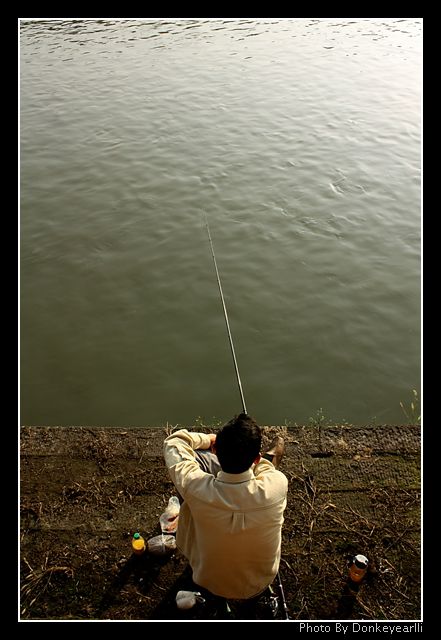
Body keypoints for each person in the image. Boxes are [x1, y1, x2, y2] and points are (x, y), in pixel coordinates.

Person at [163, 413, 288, 601]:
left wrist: (209, 439)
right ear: (255, 459)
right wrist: (260, 462)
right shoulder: (278, 485)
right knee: (268, 466)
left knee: (194, 462)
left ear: (217, 452)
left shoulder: (195, 487)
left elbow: (174, 442)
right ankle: (268, 457)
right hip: (261, 580)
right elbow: (267, 471)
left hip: (207, 581)